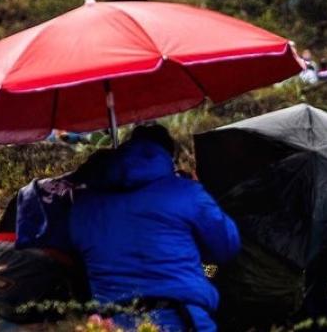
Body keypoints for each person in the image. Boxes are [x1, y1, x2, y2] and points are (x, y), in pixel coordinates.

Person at [69, 124, 240, 331]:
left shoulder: (82, 205)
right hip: (180, 318)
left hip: (112, 323)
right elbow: (227, 246)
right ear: (168, 156)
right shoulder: (186, 193)